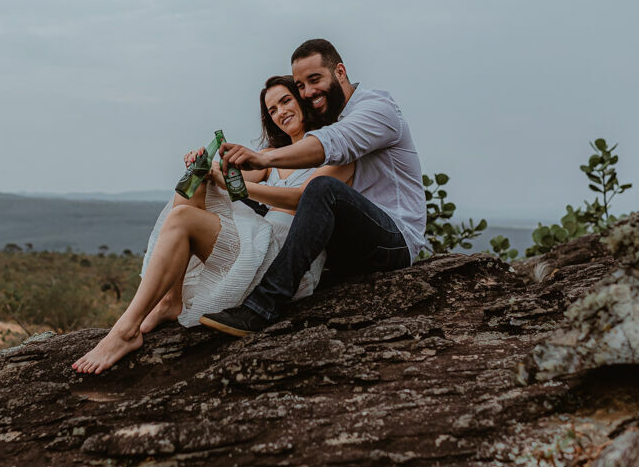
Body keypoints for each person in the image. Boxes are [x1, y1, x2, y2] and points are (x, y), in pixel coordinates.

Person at [72, 75, 355, 374]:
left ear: (301, 100)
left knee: (183, 218)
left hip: (288, 260)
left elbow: (303, 199)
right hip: (264, 240)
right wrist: (205, 166)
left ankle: (126, 330)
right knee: (192, 188)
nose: (280, 112)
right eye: (272, 110)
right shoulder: (270, 158)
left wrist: (234, 184)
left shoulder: (338, 153)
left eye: (285, 101)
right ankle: (170, 300)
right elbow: (235, 179)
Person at [199, 38, 426, 337]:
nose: (308, 92)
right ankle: (220, 288)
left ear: (340, 72)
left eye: (314, 79)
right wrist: (215, 170)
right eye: (301, 85)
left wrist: (262, 156)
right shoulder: (332, 119)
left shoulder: (377, 110)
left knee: (321, 188)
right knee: (255, 208)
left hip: (393, 240)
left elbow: (332, 144)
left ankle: (262, 307)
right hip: (348, 243)